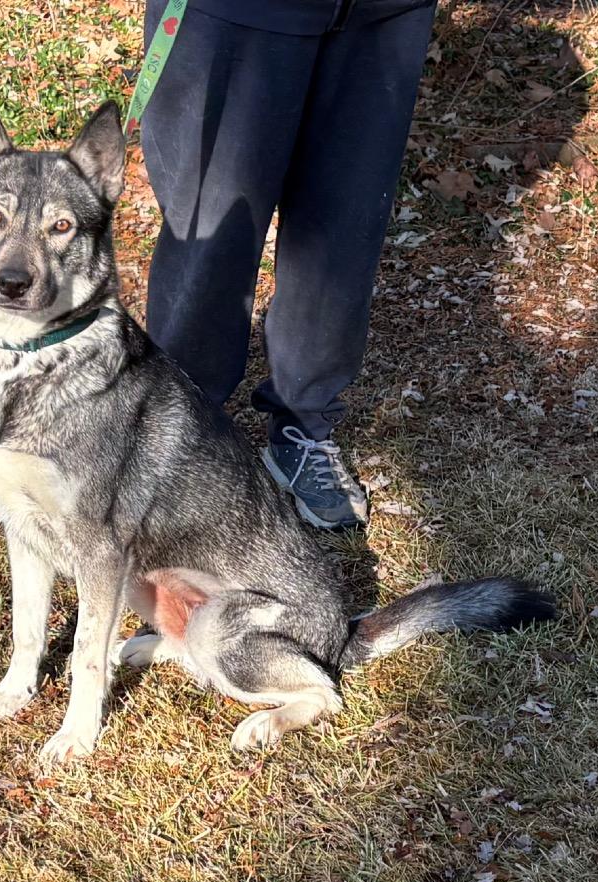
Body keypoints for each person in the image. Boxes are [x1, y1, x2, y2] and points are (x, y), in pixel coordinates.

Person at [141, 0, 438, 529]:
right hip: (234, 14)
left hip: (382, 14)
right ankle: (179, 437)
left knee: (344, 232)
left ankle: (305, 426)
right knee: (211, 233)